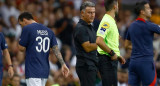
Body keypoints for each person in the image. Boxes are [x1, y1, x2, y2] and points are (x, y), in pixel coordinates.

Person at [18, 12, 69, 86]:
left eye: (21, 24)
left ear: (24, 20)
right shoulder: (49, 31)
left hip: (33, 69)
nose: (21, 26)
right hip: (44, 70)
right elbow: (56, 49)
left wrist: (21, 38)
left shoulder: (27, 28)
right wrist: (63, 64)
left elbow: (21, 48)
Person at [125, 1, 159, 86]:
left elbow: (126, 45)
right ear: (142, 12)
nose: (151, 10)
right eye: (148, 8)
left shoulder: (131, 26)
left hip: (133, 63)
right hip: (146, 63)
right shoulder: (149, 25)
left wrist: (138, 47)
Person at [96, 0, 126, 86]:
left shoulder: (111, 21)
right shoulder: (106, 21)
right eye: (118, 5)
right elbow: (99, 41)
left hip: (110, 60)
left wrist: (118, 56)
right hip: (107, 60)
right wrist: (112, 53)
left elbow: (109, 43)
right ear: (114, 6)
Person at [73, 1, 98, 86]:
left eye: (94, 12)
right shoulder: (81, 28)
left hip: (91, 65)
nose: (92, 15)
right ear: (82, 13)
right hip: (85, 66)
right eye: (89, 13)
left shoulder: (90, 26)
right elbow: (87, 47)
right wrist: (103, 44)